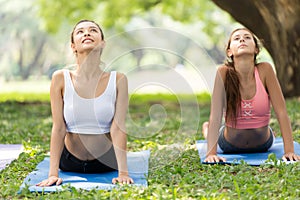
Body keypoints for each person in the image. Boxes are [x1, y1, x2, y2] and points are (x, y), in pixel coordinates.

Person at [37, 19, 133, 186]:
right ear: (73, 46)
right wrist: (53, 173)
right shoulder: (60, 78)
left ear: (102, 43)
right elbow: (59, 127)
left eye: (93, 30)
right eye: (80, 32)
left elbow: (118, 127)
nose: (87, 33)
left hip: (107, 163)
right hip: (69, 162)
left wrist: (123, 172)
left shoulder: (118, 79)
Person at [202, 28, 300, 163]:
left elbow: (281, 112)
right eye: (236, 38)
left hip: (263, 145)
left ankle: (270, 132)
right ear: (229, 51)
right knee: (214, 134)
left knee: (268, 132)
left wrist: (289, 151)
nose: (242, 39)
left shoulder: (265, 70)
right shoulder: (223, 72)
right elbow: (216, 114)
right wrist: (211, 153)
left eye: (247, 37)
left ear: (256, 50)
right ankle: (206, 129)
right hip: (229, 145)